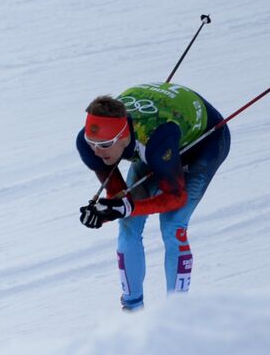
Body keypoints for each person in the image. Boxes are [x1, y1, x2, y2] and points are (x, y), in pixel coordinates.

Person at [76, 83, 231, 310]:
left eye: (105, 144)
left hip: (205, 143)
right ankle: (133, 310)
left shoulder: (154, 142)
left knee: (172, 225)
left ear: (123, 137)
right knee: (128, 224)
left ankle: (177, 312)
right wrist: (105, 213)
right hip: (160, 142)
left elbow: (176, 198)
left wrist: (125, 207)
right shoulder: (88, 144)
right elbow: (119, 198)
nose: (97, 152)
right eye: (92, 143)